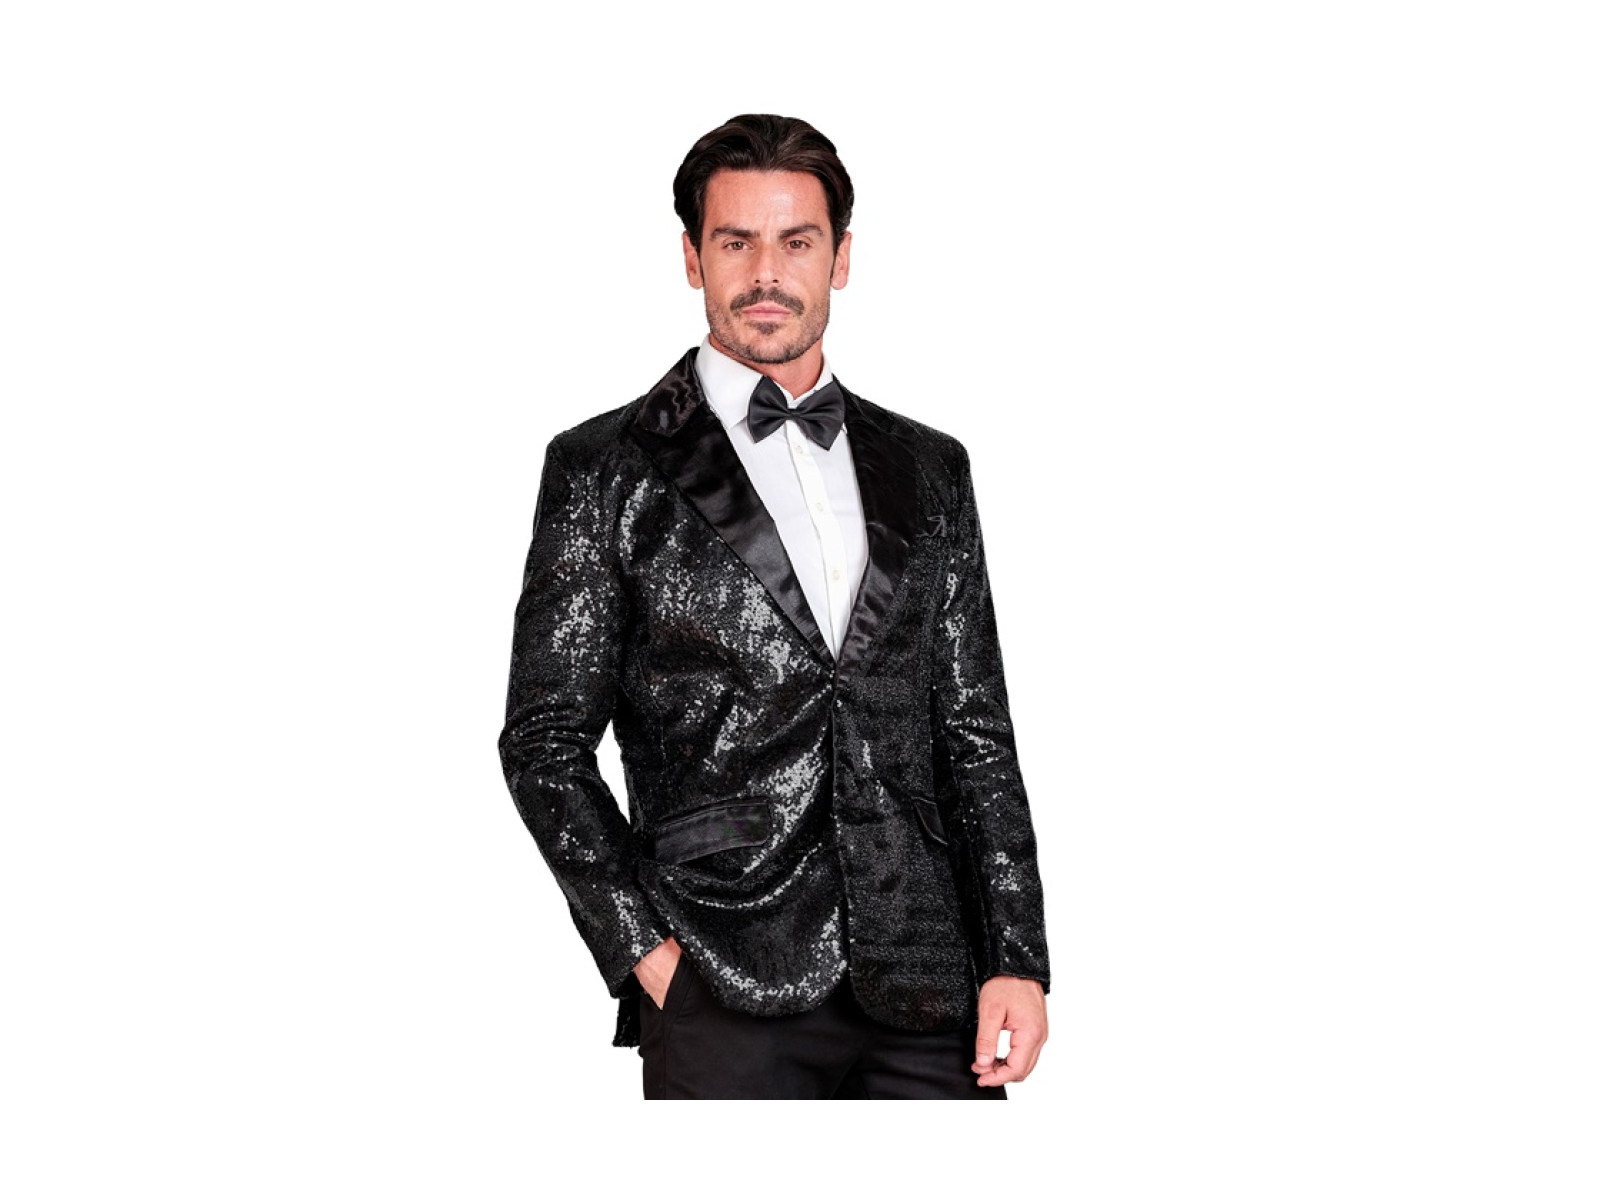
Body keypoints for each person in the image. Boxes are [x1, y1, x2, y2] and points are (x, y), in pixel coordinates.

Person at [498, 114, 1050, 1100]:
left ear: (841, 257)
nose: (766, 273)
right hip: (719, 972)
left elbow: (973, 731)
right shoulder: (602, 469)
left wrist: (1015, 955)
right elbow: (544, 742)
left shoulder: (931, 468)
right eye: (735, 242)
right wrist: (647, 955)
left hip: (927, 978)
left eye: (796, 242)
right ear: (690, 258)